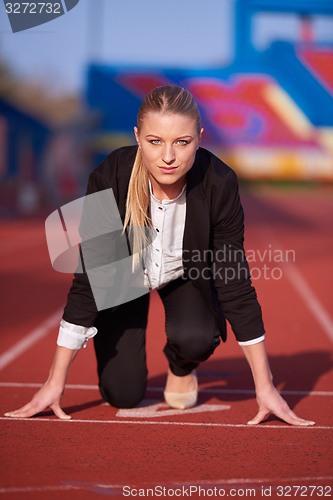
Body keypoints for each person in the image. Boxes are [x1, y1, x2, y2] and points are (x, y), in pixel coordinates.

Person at [5, 85, 314, 426]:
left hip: (185, 274)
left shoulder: (219, 183)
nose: (168, 156)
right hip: (124, 279)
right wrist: (55, 381)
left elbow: (234, 283)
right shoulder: (109, 178)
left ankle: (180, 367)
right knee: (121, 393)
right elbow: (90, 278)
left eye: (182, 142)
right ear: (137, 137)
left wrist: (265, 385)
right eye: (155, 141)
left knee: (196, 338)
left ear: (199, 137)